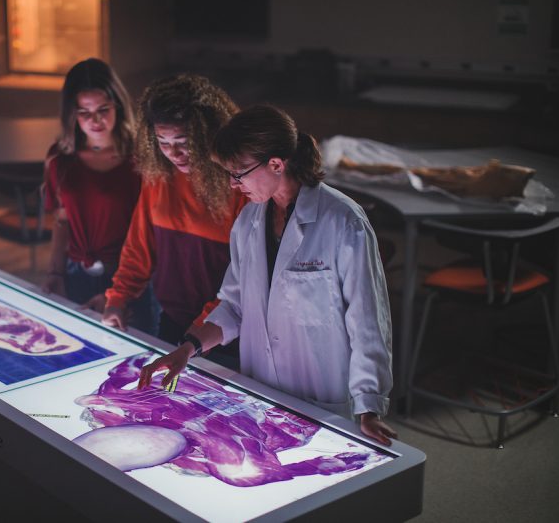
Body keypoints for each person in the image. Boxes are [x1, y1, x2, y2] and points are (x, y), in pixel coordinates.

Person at [138, 105, 398, 446]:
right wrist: (187, 349)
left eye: (239, 173)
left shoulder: (343, 221)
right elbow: (234, 307)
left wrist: (369, 405)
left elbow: (367, 319)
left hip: (323, 395)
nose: (233, 185)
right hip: (262, 389)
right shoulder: (248, 222)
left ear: (276, 163)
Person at [86, 74, 248, 345]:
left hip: (226, 330)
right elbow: (138, 249)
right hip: (173, 320)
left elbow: (246, 279)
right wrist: (118, 299)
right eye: (163, 143)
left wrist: (203, 331)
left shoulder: (240, 184)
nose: (173, 153)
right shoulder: (159, 177)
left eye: (183, 143)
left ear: (207, 134)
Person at [41, 58, 158, 335]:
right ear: (71, 114)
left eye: (103, 109)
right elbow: (62, 222)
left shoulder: (141, 157)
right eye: (84, 112)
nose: (95, 120)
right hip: (75, 274)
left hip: (129, 277)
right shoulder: (61, 158)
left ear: (118, 105)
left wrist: (121, 293)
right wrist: (54, 274)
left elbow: (155, 233)